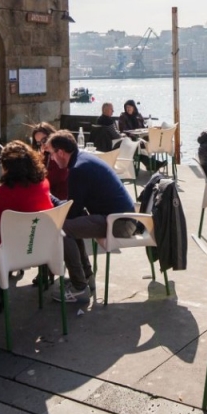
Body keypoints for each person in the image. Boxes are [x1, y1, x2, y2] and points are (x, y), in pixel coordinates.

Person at [42, 130, 136, 303]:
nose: (53, 159)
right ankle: (86, 278)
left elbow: (72, 210)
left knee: (61, 229)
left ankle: (80, 287)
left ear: (61, 152)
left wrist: (47, 199)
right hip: (122, 218)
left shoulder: (77, 169)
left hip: (119, 223)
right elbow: (75, 208)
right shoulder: (83, 159)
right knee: (71, 224)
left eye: (53, 155)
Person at [0, 140, 56, 310]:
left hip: (9, 252)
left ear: (7, 167)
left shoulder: (2, 194)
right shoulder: (44, 184)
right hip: (40, 247)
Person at [30, 122, 68, 200]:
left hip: (60, 202)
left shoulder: (60, 155)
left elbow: (50, 180)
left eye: (44, 140)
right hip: (50, 199)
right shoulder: (46, 155)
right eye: (39, 143)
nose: (43, 146)